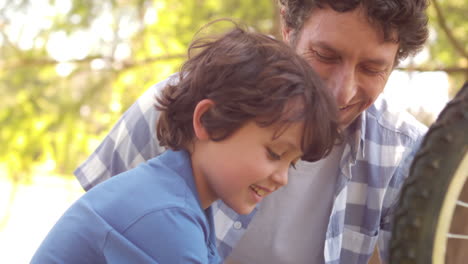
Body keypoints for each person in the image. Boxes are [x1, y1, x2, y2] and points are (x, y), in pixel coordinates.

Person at [74, 0, 430, 263]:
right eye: (325, 55)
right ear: (289, 28)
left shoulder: (407, 155)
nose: (342, 92)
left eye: (371, 69)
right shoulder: (178, 101)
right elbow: (91, 231)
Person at [31, 23, 340, 263]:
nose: (282, 178)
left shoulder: (182, 204)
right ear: (206, 120)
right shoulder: (163, 218)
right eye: (275, 153)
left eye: (292, 162)